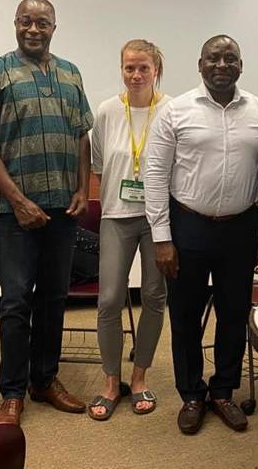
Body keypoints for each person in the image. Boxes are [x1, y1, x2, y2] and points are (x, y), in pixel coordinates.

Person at [0, 0, 92, 426]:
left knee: (54, 298)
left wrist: (83, 187)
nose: (33, 29)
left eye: (42, 22)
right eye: (25, 21)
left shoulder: (71, 73)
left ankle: (45, 380)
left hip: (62, 211)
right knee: (16, 302)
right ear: (15, 24)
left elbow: (81, 135)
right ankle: (12, 392)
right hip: (12, 213)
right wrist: (18, 201)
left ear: (54, 27)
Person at [144, 34, 258, 436]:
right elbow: (155, 174)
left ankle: (223, 392)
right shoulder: (175, 111)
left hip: (241, 226)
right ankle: (191, 394)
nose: (222, 65)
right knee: (185, 315)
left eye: (230, 58)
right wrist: (162, 238)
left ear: (241, 65)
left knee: (234, 314)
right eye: (213, 58)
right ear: (200, 65)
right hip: (188, 226)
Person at [88, 40, 171, 420]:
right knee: (109, 299)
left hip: (158, 219)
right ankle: (111, 382)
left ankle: (139, 379)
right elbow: (100, 165)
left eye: (144, 68)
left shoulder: (171, 110)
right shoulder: (107, 111)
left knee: (154, 295)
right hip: (117, 215)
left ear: (156, 70)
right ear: (121, 69)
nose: (136, 75)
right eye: (129, 68)